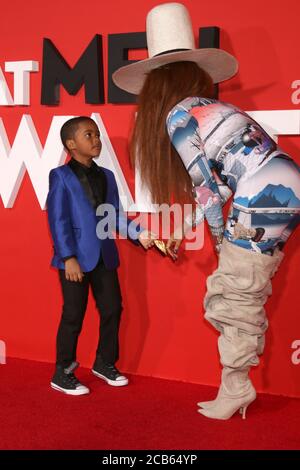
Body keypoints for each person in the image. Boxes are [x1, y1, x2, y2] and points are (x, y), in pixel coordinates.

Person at [112, 3, 300, 419]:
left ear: (156, 84)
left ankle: (236, 387)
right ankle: (234, 385)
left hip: (263, 190)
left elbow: (208, 190)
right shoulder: (209, 109)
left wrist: (217, 240)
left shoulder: (180, 116)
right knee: (243, 287)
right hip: (281, 183)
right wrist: (197, 227)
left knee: (234, 291)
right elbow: (230, 178)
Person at [47, 116, 156, 395]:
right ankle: (63, 372)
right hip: (75, 259)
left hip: (104, 256)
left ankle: (104, 362)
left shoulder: (107, 176)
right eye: (88, 135)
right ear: (71, 144)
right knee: (73, 315)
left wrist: (139, 233)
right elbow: (58, 219)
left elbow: (115, 216)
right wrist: (68, 257)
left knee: (112, 309)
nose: (96, 140)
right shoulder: (60, 176)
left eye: (96, 135)